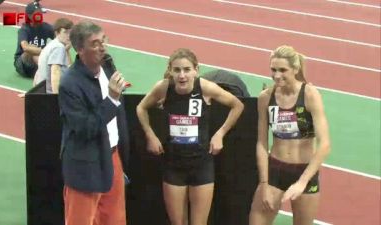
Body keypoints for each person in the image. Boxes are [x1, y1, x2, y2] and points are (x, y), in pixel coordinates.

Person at [136, 48, 244, 225]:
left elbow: (237, 105)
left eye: (187, 69)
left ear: (196, 70)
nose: (182, 75)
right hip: (173, 165)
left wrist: (220, 133)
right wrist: (150, 135)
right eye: (177, 70)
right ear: (170, 70)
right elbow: (141, 108)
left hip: (201, 165)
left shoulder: (205, 88)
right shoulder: (163, 88)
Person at [249, 45, 331, 225]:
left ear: (295, 69)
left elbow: (324, 144)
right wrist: (263, 184)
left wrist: (302, 182)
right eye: (273, 70)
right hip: (275, 170)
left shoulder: (309, 94)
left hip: (305, 172)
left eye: (283, 70)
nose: (277, 75)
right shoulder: (266, 97)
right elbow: (262, 143)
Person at [58, 20, 128, 225]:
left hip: (113, 156)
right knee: (81, 220)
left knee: (115, 219)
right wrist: (112, 99)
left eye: (103, 40)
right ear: (80, 49)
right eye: (95, 43)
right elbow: (85, 128)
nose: (102, 46)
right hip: (86, 162)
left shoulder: (107, 65)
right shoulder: (70, 84)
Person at [13, 1, 54, 78]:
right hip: (23, 65)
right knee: (31, 48)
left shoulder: (46, 27)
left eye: (41, 13)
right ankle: (48, 71)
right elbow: (25, 47)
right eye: (37, 14)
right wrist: (45, 52)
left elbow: (59, 37)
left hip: (37, 64)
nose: (40, 16)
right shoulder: (24, 30)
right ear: (29, 16)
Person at [33, 18, 73, 93]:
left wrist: (33, 91)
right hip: (50, 93)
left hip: (42, 91)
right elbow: (55, 71)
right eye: (65, 32)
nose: (69, 35)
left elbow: (38, 72)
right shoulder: (58, 48)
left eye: (70, 32)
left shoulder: (51, 45)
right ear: (57, 33)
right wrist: (55, 97)